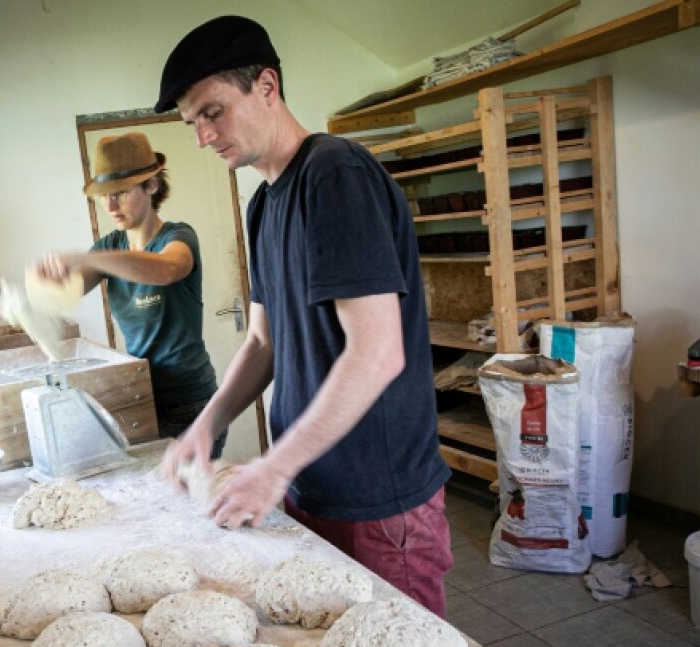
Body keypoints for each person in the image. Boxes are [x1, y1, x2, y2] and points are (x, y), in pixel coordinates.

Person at [155, 16, 453, 615]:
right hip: (309, 485)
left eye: (213, 112)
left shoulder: (335, 175)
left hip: (378, 500)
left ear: (266, 85)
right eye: (192, 124)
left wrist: (272, 466)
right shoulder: (265, 204)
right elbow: (263, 343)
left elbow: (378, 351)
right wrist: (205, 428)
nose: (203, 137)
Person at [31, 132, 226, 457]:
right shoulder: (109, 247)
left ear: (151, 186)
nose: (110, 206)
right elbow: (68, 292)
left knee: (190, 499)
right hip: (142, 396)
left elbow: (166, 269)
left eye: (120, 193)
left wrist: (85, 257)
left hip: (191, 402)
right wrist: (24, 294)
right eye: (105, 195)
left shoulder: (178, 237)